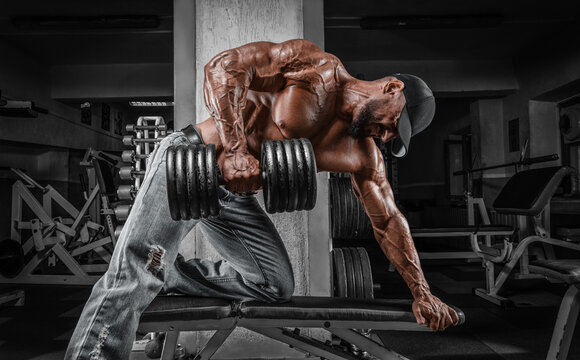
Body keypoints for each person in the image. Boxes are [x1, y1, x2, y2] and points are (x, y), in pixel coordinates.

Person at [66, 39, 458, 360]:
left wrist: (422, 293)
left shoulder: (362, 153)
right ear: (392, 88)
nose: (389, 136)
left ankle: (168, 273)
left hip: (231, 197)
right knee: (135, 269)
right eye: (396, 123)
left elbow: (388, 220)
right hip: (191, 162)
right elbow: (223, 68)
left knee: (274, 285)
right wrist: (236, 148)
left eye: (397, 137)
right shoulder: (317, 69)